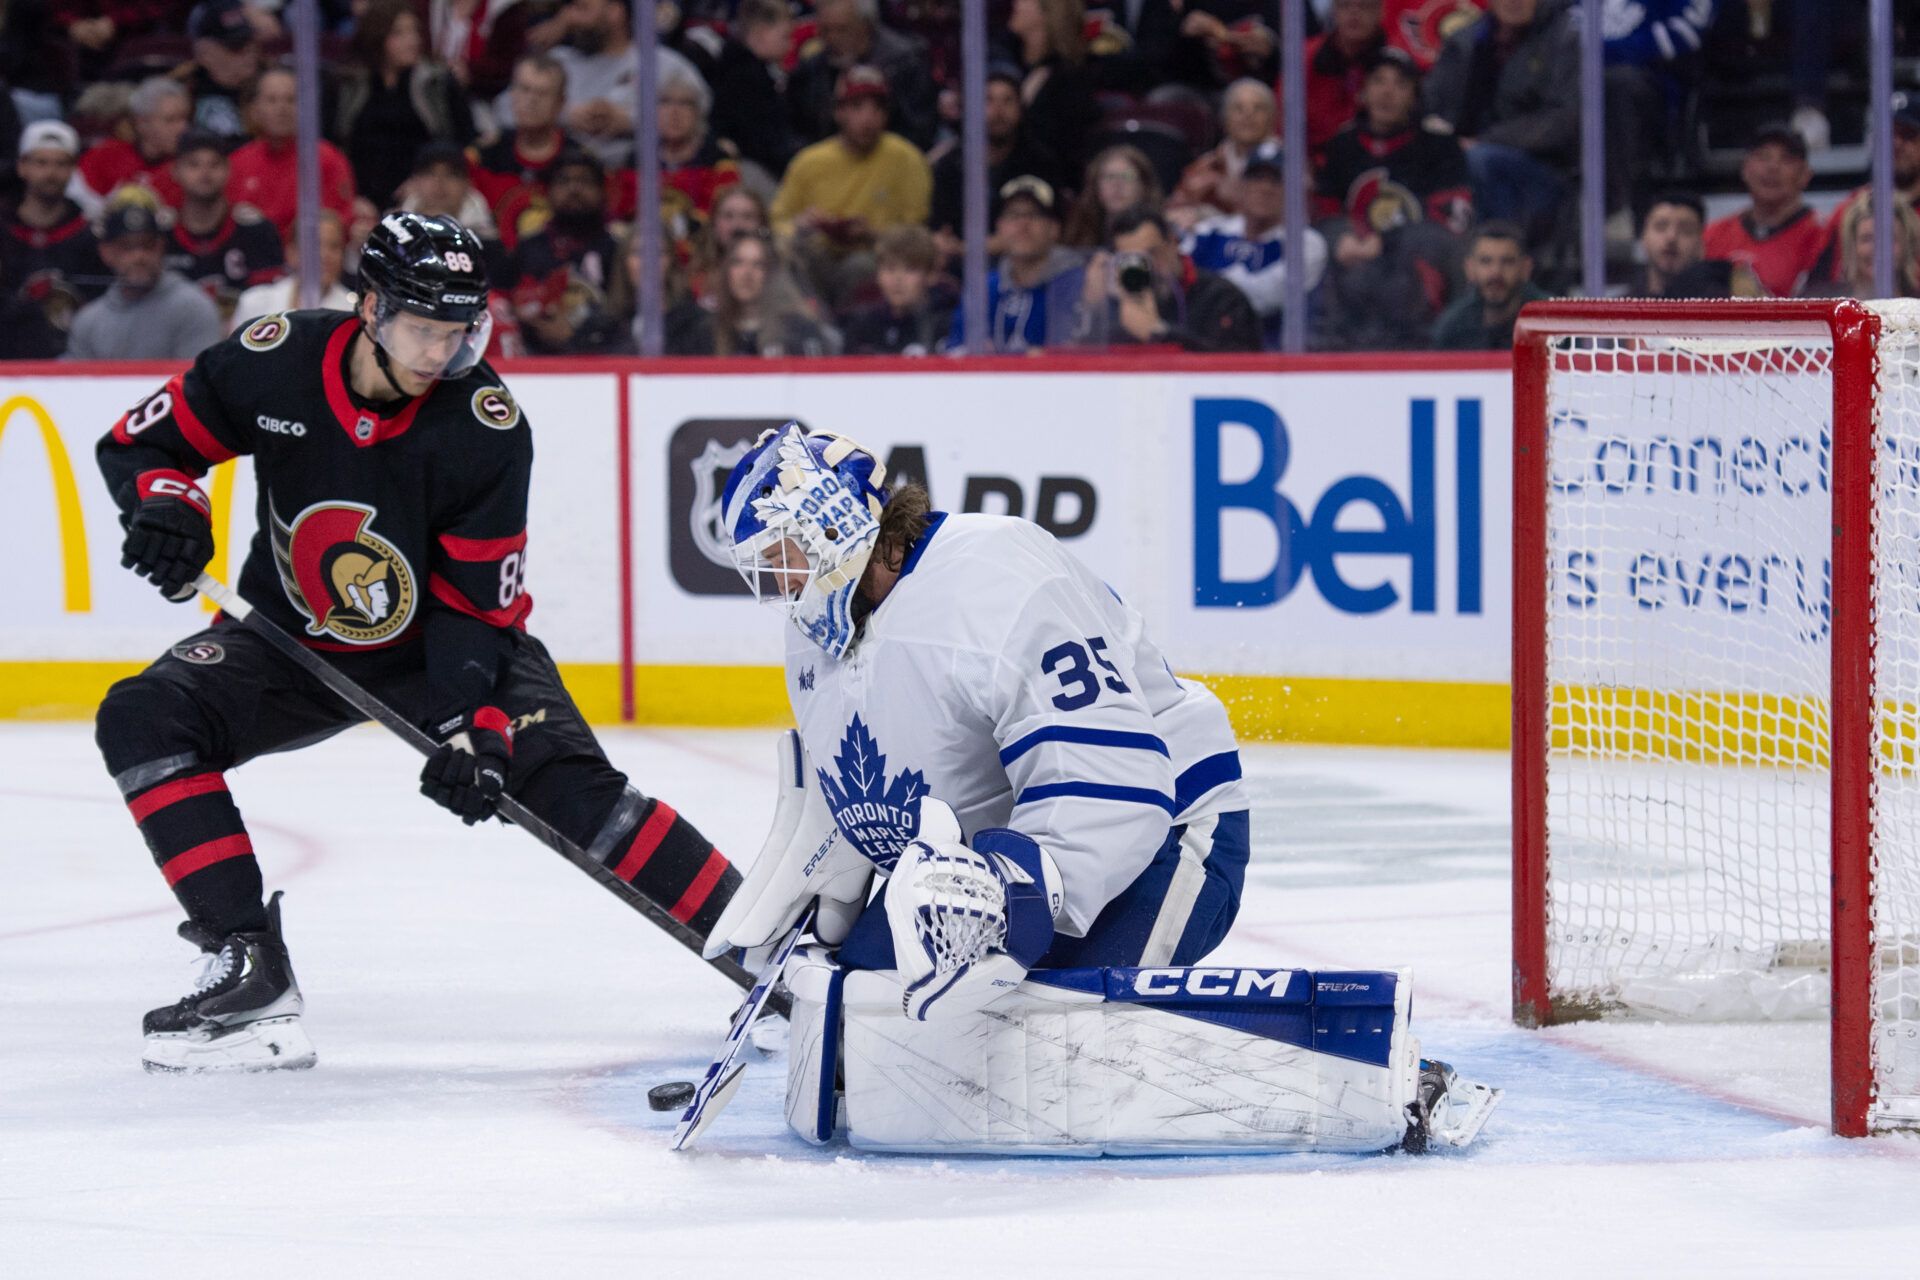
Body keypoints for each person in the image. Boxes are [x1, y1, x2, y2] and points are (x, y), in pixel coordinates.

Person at [93, 211, 742, 1073]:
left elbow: (475, 607)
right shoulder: (272, 357)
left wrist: (473, 724)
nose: (439, 354)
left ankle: (778, 958)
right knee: (142, 717)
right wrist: (172, 503)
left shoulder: (487, 425)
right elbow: (140, 444)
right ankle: (249, 963)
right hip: (287, 643)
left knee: (578, 796)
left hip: (441, 646)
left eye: (457, 332)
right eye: (420, 328)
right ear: (368, 305)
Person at [1423, 0, 1579, 239]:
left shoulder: (1564, 40)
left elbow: (1562, 122)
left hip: (1542, 170)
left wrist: (1486, 140)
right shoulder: (1464, 41)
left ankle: (1499, 251)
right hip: (1463, 154)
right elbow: (1432, 102)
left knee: (1480, 159)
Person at [335, 0, 475, 209]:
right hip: (359, 196)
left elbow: (462, 140)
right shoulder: (350, 83)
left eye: (414, 32)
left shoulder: (437, 82)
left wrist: (421, 184)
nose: (412, 41)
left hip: (422, 194)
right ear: (377, 36)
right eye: (399, 33)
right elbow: (336, 142)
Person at [1316, 46, 1471, 234]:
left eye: (1401, 84)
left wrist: (1388, 245)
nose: (1387, 92)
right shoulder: (1341, 147)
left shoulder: (1441, 148)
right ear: (1362, 92)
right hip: (1353, 257)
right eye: (1378, 80)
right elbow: (1324, 217)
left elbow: (1452, 222)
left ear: (1415, 98)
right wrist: (1341, 240)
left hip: (1417, 256)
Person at [1182, 157, 1326, 349]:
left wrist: (1203, 287)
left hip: (1274, 354)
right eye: (1256, 179)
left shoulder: (1305, 242)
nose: (1265, 189)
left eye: (1276, 180)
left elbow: (1263, 297)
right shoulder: (1209, 231)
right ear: (1241, 186)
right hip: (1200, 347)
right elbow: (1174, 278)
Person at [1080, 205, 1261, 352]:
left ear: (1173, 243)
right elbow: (1077, 367)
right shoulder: (1112, 303)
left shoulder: (1221, 298)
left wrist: (1161, 333)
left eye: (1151, 254)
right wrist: (1093, 308)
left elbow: (1238, 370)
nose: (1145, 267)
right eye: (1131, 260)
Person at [65, 195, 225, 361]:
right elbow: (76, 384)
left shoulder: (193, 307)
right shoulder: (88, 322)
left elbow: (198, 382)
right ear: (106, 252)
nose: (139, 256)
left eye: (147, 245)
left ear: (161, 247)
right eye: (127, 247)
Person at [927, 63, 1058, 263]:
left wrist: (966, 249)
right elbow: (937, 227)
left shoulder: (1040, 163)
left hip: (1021, 261)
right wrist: (943, 242)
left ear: (1020, 110)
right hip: (956, 264)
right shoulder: (950, 165)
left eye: (1007, 101)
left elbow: (1039, 231)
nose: (998, 111)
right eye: (988, 101)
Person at [947, 174, 1086, 353]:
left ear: (1054, 229)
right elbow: (955, 347)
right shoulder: (984, 288)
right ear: (1000, 227)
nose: (1023, 224)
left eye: (1034, 215)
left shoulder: (1079, 284)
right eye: (1013, 215)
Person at [470, 53, 590, 251]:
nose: (531, 101)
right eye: (524, 90)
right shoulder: (482, 156)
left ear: (561, 103)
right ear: (511, 94)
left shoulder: (580, 162)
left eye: (542, 93)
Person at [227, 67, 361, 243]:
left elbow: (341, 221)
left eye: (291, 100)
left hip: (311, 259)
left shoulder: (328, 159)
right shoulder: (236, 162)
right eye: (271, 100)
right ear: (255, 109)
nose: (282, 109)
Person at [164, 130, 287, 320]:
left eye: (214, 164)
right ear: (175, 171)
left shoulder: (257, 231)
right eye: (194, 164)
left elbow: (270, 304)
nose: (205, 173)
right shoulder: (160, 234)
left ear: (229, 169)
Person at [508, 151, 622, 354]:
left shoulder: (617, 249)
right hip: (535, 357)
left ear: (603, 192)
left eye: (585, 181)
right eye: (563, 181)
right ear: (548, 192)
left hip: (604, 355)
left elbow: (625, 310)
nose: (574, 189)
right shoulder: (528, 249)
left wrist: (577, 336)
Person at [788, 0, 938, 153]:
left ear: (866, 26)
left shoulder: (904, 63)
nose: (832, 38)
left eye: (842, 29)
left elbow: (919, 131)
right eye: (825, 30)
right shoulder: (810, 69)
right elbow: (795, 130)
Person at [1701, 124, 1829, 299]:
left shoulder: (1824, 235)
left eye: (1786, 159)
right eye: (1763, 157)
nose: (1773, 167)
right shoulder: (1713, 234)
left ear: (1805, 174)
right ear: (1745, 169)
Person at [678, 0, 797, 178]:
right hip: (744, 167)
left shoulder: (749, 68)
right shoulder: (745, 76)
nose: (790, 45)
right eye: (785, 36)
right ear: (762, 33)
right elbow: (762, 141)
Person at [2, 120, 109, 314]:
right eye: (41, 162)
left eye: (61, 164)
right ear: (22, 166)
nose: (51, 173)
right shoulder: (4, 229)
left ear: (73, 170)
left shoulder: (91, 235)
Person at [673, 230, 837, 356]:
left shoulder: (798, 330)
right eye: (738, 262)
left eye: (758, 264)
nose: (747, 273)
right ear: (726, 271)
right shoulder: (704, 333)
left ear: (771, 273)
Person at [1004, 0, 1102, 183]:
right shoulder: (1008, 65)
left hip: (1044, 183)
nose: (1015, 3)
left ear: (1047, 12)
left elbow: (1066, 151)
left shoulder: (1070, 78)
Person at [1168, 78, 1280, 230]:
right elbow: (1174, 211)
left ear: (1272, 118)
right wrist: (1200, 215)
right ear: (1224, 118)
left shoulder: (1291, 165)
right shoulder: (1207, 166)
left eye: (1258, 108)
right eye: (1238, 108)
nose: (1248, 115)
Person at [71, 76, 192, 215]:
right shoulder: (105, 155)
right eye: (171, 120)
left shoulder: (193, 165)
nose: (183, 128)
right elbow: (76, 204)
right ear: (142, 123)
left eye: (185, 119)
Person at [228, 210, 356, 330]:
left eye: (334, 247)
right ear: (292, 253)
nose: (325, 255)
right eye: (314, 246)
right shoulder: (254, 303)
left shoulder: (353, 313)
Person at [1430, 220, 1549, 349]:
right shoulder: (1451, 328)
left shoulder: (1553, 320)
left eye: (1507, 262)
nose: (1496, 272)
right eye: (1486, 261)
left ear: (1526, 268)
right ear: (1469, 269)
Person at [840, 224, 954, 355]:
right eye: (890, 269)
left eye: (910, 269)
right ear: (878, 274)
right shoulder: (861, 324)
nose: (898, 280)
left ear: (930, 275)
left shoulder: (946, 325)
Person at [1297, 0, 1387, 163]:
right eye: (1345, 5)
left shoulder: (1395, 63)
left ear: (1380, 12)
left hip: (1378, 160)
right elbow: (1284, 119)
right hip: (1313, 164)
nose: (1354, 14)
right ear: (1333, 12)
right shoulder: (1305, 57)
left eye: (1364, 6)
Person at [1625, 190, 1752, 299]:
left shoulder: (1724, 308)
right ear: (1643, 238)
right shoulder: (1621, 308)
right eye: (1661, 227)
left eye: (1685, 230)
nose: (1671, 237)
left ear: (1701, 246)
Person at [184, 0, 264, 143]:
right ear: (204, 53)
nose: (249, 53)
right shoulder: (182, 88)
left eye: (250, 42)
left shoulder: (273, 85)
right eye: (235, 47)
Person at [1061, 144, 1163, 249]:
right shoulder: (1077, 235)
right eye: (1109, 177)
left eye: (1127, 176)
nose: (1117, 184)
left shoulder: (1164, 232)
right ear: (1095, 187)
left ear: (1144, 186)